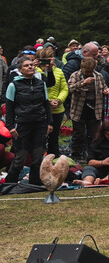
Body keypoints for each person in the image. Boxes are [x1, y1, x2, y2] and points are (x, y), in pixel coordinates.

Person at [4, 55, 51, 185]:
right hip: (22, 125)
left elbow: (46, 104)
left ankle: (34, 184)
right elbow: (9, 108)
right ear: (20, 69)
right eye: (26, 65)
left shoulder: (41, 84)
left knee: (37, 156)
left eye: (31, 65)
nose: (30, 67)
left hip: (40, 123)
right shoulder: (13, 85)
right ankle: (9, 184)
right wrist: (11, 127)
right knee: (21, 157)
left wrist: (49, 123)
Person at [65, 53, 109, 163]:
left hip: (94, 108)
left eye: (90, 71)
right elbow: (70, 89)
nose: (89, 73)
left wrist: (106, 90)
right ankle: (76, 155)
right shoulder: (75, 75)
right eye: (87, 71)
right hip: (79, 109)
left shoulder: (99, 76)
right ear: (82, 68)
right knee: (78, 134)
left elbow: (105, 87)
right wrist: (83, 83)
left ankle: (92, 155)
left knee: (94, 134)